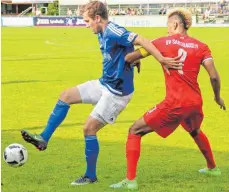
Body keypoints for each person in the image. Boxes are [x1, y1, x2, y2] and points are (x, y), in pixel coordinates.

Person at [21, 1, 181, 186]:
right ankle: (43, 139)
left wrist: (161, 59)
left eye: (87, 20)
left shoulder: (113, 30)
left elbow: (144, 41)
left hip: (117, 93)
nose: (85, 24)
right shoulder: (101, 32)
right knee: (65, 95)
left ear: (98, 18)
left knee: (89, 128)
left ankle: (90, 176)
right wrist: (133, 58)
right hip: (104, 83)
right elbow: (124, 50)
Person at [110, 8, 226, 190]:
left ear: (175, 24)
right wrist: (217, 97)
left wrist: (134, 58)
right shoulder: (201, 46)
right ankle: (213, 167)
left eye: (168, 26)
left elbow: (129, 58)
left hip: (175, 103)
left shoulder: (161, 42)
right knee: (194, 130)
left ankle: (130, 181)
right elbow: (213, 76)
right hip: (195, 102)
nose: (167, 29)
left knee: (135, 130)